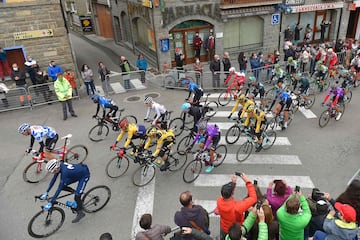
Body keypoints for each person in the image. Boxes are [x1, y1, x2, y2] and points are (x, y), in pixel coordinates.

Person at [216, 174, 257, 239]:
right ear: (232, 193)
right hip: (235, 231)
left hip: (224, 227)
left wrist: (233, 184)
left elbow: (227, 193)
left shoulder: (219, 201)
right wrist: (247, 182)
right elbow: (253, 198)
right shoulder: (237, 207)